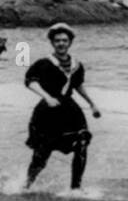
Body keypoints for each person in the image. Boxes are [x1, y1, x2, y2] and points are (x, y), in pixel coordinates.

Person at [24, 22, 100, 191]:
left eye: (65, 40)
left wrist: (91, 104)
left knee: (82, 142)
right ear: (52, 42)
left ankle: (75, 188)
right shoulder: (44, 63)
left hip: (70, 110)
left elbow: (77, 85)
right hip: (48, 111)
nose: (61, 43)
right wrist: (47, 97)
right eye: (57, 40)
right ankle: (27, 185)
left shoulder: (77, 65)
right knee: (42, 154)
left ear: (70, 42)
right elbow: (30, 82)